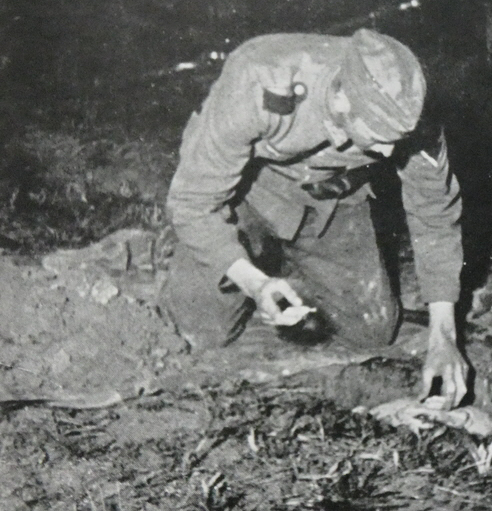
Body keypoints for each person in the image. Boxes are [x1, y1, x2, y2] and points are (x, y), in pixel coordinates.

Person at [162, 28, 468, 409]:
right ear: (339, 99)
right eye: (377, 136)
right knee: (200, 331)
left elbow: (436, 219)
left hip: (330, 205)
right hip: (247, 197)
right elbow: (193, 202)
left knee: (374, 333)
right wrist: (256, 285)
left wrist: (444, 337)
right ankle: (247, 262)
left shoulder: (413, 119)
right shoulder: (261, 79)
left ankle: (295, 266)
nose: (391, 152)